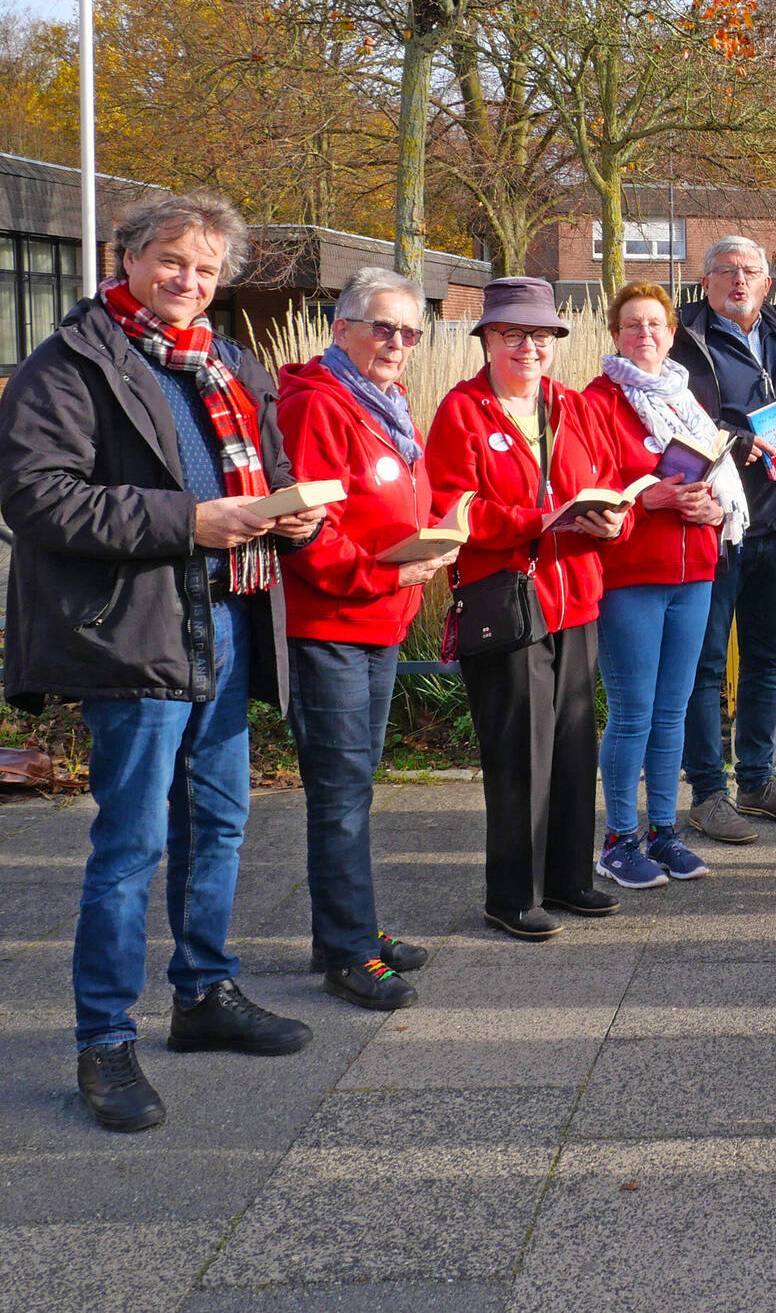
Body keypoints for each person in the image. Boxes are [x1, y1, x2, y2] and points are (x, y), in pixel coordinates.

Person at [0, 193, 327, 1132]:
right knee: (131, 847)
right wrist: (187, 522)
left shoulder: (232, 363)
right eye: (172, 262)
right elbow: (36, 499)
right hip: (132, 632)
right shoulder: (69, 362)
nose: (189, 282)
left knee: (219, 828)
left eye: (207, 270)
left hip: (226, 622)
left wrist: (292, 517)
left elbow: (260, 471)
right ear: (129, 257)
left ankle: (202, 995)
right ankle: (105, 1040)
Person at [423, 276, 627, 940]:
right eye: (513, 335)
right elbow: (455, 509)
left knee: (572, 743)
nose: (529, 348)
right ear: (486, 338)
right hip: (506, 600)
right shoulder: (461, 410)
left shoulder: (573, 405)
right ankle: (511, 895)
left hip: (578, 597)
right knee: (518, 752)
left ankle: (569, 877)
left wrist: (614, 522)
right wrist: (537, 519)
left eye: (540, 336)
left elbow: (607, 485)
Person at [276, 267, 453, 1010]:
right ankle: (347, 952)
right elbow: (308, 532)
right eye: (383, 327)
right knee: (342, 794)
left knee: (356, 787)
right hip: (334, 625)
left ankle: (347, 927)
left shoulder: (384, 399)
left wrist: (437, 535)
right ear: (341, 325)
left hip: (381, 618)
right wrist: (387, 577)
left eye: (410, 332)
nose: (398, 343)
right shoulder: (319, 404)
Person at [672, 236, 776, 845]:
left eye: (750, 271)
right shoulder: (681, 339)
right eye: (725, 271)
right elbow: (669, 418)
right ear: (706, 280)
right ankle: (708, 793)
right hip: (716, 525)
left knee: (767, 660)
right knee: (706, 665)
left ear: (768, 282)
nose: (738, 281)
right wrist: (738, 442)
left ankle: (757, 780)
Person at [583, 282, 733, 888]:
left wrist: (714, 510)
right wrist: (653, 498)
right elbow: (591, 488)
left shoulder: (685, 398)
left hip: (693, 570)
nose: (645, 335)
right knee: (632, 712)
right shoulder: (596, 401)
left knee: (672, 712)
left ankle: (663, 832)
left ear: (672, 334)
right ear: (615, 335)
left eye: (656, 325)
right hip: (632, 575)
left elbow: (717, 479)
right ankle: (619, 838)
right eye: (632, 325)